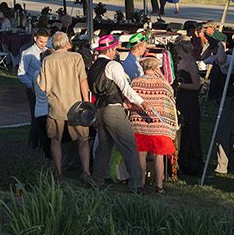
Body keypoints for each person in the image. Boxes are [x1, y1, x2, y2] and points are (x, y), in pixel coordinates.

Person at [85, 35, 146, 193]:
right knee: (129, 147)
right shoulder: (113, 65)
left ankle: (97, 179)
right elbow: (125, 88)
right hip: (113, 110)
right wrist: (142, 102)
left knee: (104, 147)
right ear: (111, 49)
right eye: (115, 48)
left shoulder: (94, 65)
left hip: (99, 110)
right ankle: (136, 185)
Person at [36, 32, 91, 178]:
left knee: (55, 140)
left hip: (56, 106)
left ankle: (58, 172)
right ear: (67, 43)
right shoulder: (76, 58)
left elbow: (42, 86)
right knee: (83, 140)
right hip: (76, 106)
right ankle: (85, 171)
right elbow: (83, 81)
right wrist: (86, 102)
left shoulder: (47, 60)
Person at [128, 56, 177, 195]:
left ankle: (141, 183)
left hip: (139, 123)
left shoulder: (136, 82)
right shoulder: (163, 84)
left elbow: (130, 99)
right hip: (158, 125)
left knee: (141, 155)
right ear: (156, 68)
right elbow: (171, 98)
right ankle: (159, 186)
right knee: (158, 156)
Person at [170, 40, 205, 176]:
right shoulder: (178, 62)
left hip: (190, 99)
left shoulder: (190, 63)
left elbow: (196, 85)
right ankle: (182, 162)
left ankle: (193, 164)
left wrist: (180, 86)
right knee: (182, 132)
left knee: (191, 131)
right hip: (181, 99)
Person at [17, 28, 52, 156]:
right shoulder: (28, 53)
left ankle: (43, 146)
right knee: (36, 118)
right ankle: (32, 146)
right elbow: (21, 73)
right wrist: (31, 85)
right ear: (35, 38)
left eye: (45, 41)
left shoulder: (48, 51)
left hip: (47, 89)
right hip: (33, 89)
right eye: (41, 41)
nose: (43, 44)